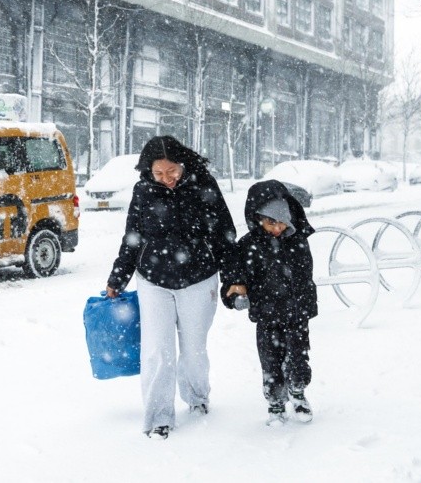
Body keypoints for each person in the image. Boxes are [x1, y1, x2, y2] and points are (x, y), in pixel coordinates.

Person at [105, 136, 237, 440]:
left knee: (193, 349)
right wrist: (118, 277)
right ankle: (159, 415)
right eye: (159, 174)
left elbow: (224, 235)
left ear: (183, 163)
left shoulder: (204, 186)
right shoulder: (144, 190)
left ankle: (197, 397)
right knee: (156, 351)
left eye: (172, 172)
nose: (167, 179)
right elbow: (132, 236)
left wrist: (233, 279)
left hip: (198, 277)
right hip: (153, 279)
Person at [222, 179, 318, 426]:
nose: (276, 228)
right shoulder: (247, 245)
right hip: (267, 315)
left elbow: (304, 274)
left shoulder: (297, 240)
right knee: (271, 361)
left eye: (281, 222)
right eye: (270, 222)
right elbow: (234, 277)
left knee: (298, 357)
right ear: (258, 219)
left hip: (296, 313)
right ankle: (275, 403)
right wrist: (235, 296)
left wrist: (304, 302)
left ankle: (298, 393)